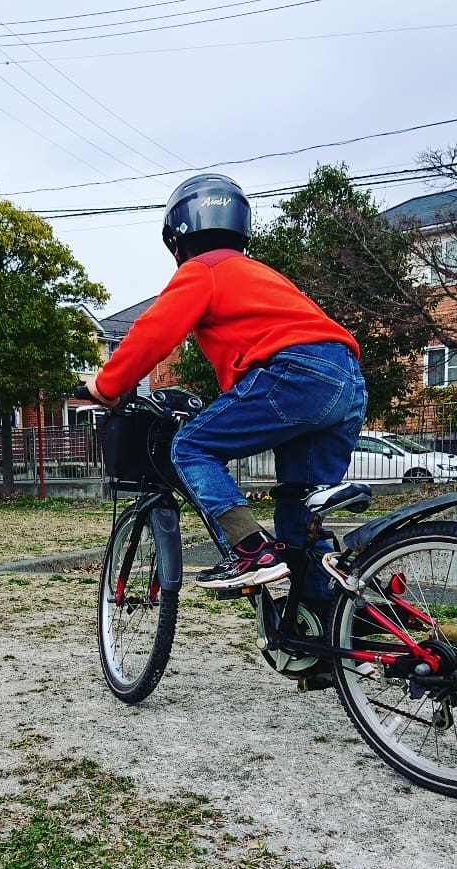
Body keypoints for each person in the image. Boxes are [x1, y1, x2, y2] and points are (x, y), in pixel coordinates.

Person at [87, 173, 367, 598]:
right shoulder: (259, 274)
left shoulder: (203, 270)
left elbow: (152, 335)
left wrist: (104, 387)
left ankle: (252, 551)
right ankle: (328, 633)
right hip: (345, 382)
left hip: (294, 375)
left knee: (190, 446)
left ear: (176, 240)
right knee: (298, 513)